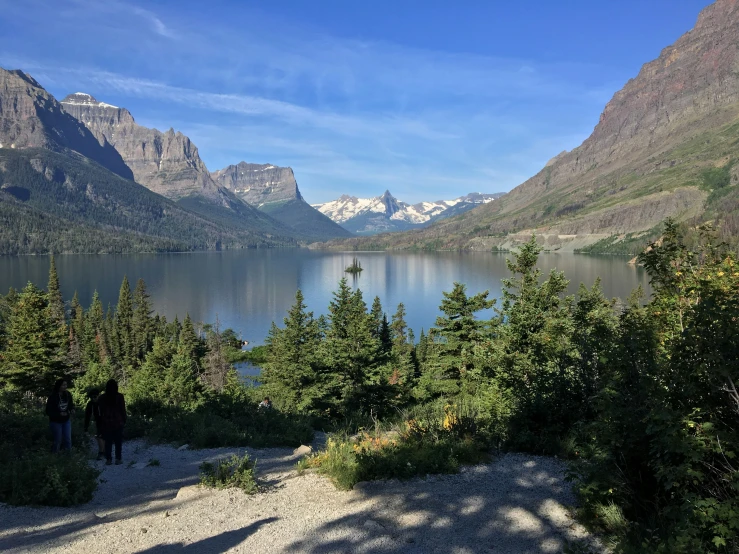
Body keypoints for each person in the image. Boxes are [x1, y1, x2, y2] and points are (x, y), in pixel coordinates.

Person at [98, 379, 127, 466]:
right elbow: (122, 409)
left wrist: (100, 423)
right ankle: (118, 458)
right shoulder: (119, 396)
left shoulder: (102, 397)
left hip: (106, 422)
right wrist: (124, 420)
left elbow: (100, 411)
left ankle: (108, 459)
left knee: (108, 441)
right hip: (118, 421)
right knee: (118, 441)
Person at [46, 379, 74, 453]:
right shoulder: (53, 396)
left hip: (66, 420)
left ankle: (68, 456)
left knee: (68, 439)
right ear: (59, 386)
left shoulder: (68, 394)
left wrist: (72, 409)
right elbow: (48, 411)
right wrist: (58, 414)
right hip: (55, 421)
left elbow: (71, 405)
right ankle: (55, 456)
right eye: (63, 385)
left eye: (66, 385)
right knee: (58, 440)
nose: (65, 387)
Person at [84, 388, 105, 460]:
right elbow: (87, 416)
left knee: (100, 437)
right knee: (100, 436)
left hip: (106, 421)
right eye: (91, 397)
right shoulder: (90, 404)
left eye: (95, 397)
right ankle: (103, 451)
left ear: (98, 395)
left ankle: (101, 452)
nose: (93, 399)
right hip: (98, 422)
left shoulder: (103, 402)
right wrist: (85, 428)